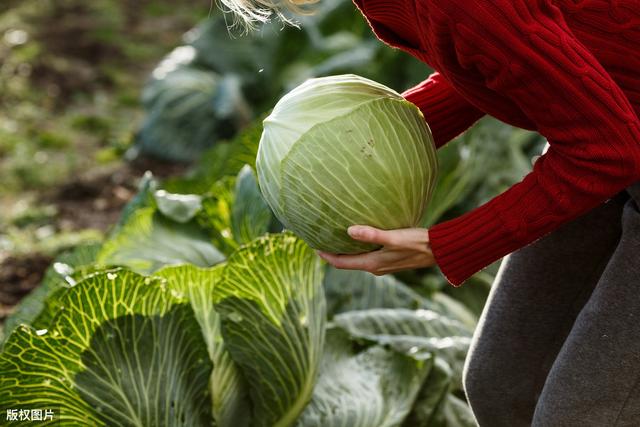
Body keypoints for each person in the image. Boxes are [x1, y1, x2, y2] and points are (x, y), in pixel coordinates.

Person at [221, 0, 640, 425]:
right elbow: (499, 56)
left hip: (608, 143)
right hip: (609, 126)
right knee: (502, 385)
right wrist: (369, 149)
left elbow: (609, 150)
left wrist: (443, 245)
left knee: (582, 416)